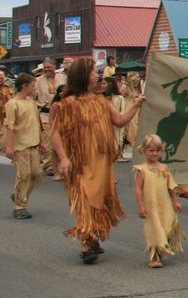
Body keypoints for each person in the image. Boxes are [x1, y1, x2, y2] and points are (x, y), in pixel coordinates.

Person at [53, 57, 145, 264]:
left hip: (102, 160)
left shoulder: (101, 101)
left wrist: (137, 105)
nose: (98, 75)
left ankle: (92, 236)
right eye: (95, 71)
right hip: (79, 161)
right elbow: (56, 133)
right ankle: (88, 241)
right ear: (84, 75)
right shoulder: (67, 104)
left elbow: (120, 121)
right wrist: (63, 159)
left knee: (99, 199)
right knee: (85, 198)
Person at [133, 134, 184, 268]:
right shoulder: (141, 169)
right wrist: (141, 206)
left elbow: (171, 186)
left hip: (164, 204)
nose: (154, 153)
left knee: (166, 227)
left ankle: (161, 249)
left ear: (161, 151)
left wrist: (175, 201)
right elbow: (138, 189)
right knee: (154, 230)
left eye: (157, 150)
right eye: (151, 150)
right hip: (151, 206)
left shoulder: (164, 168)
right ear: (144, 151)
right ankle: (154, 257)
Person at [5, 74, 47, 219]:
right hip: (20, 145)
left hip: (34, 144)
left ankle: (19, 195)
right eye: (33, 85)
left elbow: (38, 124)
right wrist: (9, 147)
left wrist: (42, 142)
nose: (35, 88)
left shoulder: (32, 103)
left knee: (36, 174)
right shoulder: (12, 104)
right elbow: (10, 127)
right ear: (24, 86)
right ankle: (19, 206)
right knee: (24, 175)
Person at [34, 57, 64, 176]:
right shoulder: (38, 81)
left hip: (62, 114)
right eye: (44, 67)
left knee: (61, 139)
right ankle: (49, 165)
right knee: (48, 140)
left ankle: (61, 162)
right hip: (45, 114)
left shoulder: (62, 78)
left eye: (48, 67)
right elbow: (33, 98)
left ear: (54, 67)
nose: (46, 69)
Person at [103, 76, 127, 161]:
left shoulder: (120, 98)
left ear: (110, 85)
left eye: (104, 83)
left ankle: (119, 154)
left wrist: (118, 118)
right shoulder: (102, 99)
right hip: (106, 123)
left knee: (118, 137)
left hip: (117, 123)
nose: (102, 86)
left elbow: (123, 110)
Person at [0, 70, 14, 149]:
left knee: (4, 127)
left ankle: (2, 143)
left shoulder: (6, 88)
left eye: (1, 78)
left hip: (4, 111)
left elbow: (10, 98)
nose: (0, 80)